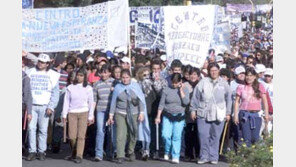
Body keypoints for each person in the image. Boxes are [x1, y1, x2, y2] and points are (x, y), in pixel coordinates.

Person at [190, 62, 232, 165]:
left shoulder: (224, 83)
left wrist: (228, 113)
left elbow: (229, 99)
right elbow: (196, 97)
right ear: (208, 71)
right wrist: (192, 110)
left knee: (215, 136)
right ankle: (204, 156)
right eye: (211, 70)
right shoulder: (203, 82)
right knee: (203, 135)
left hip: (219, 114)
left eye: (215, 70)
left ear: (218, 71)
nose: (213, 72)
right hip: (203, 113)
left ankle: (213, 156)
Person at [107, 69, 150, 164]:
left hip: (134, 113)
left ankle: (130, 151)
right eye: (123, 77)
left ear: (130, 77)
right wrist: (111, 115)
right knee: (120, 134)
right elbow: (113, 102)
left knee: (133, 133)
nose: (125, 79)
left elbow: (141, 99)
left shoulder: (135, 86)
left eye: (127, 77)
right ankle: (120, 155)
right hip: (120, 113)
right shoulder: (118, 87)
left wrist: (142, 112)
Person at [25, 53, 60, 161]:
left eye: (43, 62)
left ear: (47, 64)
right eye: (39, 61)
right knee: (31, 129)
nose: (41, 64)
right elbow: (25, 89)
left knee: (43, 130)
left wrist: (51, 106)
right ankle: (32, 151)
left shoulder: (53, 75)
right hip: (32, 105)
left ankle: (41, 151)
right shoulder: (30, 72)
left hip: (45, 106)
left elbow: (55, 93)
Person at [155, 73, 190, 164]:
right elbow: (161, 104)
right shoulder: (166, 90)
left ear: (180, 82)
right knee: (165, 135)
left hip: (179, 116)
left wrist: (181, 90)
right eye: (173, 82)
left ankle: (175, 155)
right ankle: (167, 151)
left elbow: (186, 102)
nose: (174, 84)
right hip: (167, 115)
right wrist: (158, 116)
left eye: (176, 82)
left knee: (176, 136)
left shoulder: (185, 89)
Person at [62, 68, 95, 163]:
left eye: (81, 75)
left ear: (85, 77)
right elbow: (66, 101)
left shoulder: (88, 88)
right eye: (78, 75)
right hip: (72, 113)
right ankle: (74, 151)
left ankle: (79, 155)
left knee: (81, 136)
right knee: (72, 136)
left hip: (84, 112)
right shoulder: (70, 87)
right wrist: (64, 114)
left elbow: (90, 102)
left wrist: (90, 116)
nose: (79, 77)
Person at [233, 67, 269, 147]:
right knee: (246, 138)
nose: (249, 77)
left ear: (255, 76)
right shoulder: (241, 87)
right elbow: (237, 102)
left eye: (251, 75)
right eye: (247, 75)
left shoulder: (260, 86)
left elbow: (265, 101)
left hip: (256, 115)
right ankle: (246, 156)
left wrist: (266, 114)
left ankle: (254, 157)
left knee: (255, 138)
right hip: (244, 114)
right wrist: (235, 115)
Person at [93, 64, 115, 162]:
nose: (103, 74)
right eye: (102, 72)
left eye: (105, 72)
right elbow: (94, 99)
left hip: (111, 110)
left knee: (111, 132)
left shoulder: (114, 82)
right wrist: (91, 113)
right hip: (100, 109)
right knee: (100, 131)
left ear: (110, 73)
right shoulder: (97, 83)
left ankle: (110, 153)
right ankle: (98, 154)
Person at [136, 67, 157, 160]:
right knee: (143, 130)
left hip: (152, 110)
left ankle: (150, 149)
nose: (146, 77)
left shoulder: (154, 84)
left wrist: (156, 81)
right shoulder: (138, 85)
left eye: (148, 75)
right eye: (144, 75)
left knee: (150, 131)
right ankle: (145, 149)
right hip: (142, 111)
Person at [50, 54, 69, 153]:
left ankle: (56, 143)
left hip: (61, 100)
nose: (65, 63)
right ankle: (47, 142)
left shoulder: (65, 73)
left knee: (59, 122)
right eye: (64, 62)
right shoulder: (50, 71)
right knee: (50, 122)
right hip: (51, 99)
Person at [184, 67, 201, 161]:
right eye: (191, 74)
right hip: (188, 114)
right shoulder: (185, 85)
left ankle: (198, 153)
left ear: (198, 76)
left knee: (198, 135)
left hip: (199, 114)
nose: (193, 76)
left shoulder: (201, 84)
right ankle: (188, 153)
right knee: (189, 134)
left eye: (195, 74)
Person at [22, 71, 32, 155]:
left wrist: (28, 110)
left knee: (23, 127)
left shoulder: (25, 77)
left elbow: (27, 95)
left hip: (22, 105)